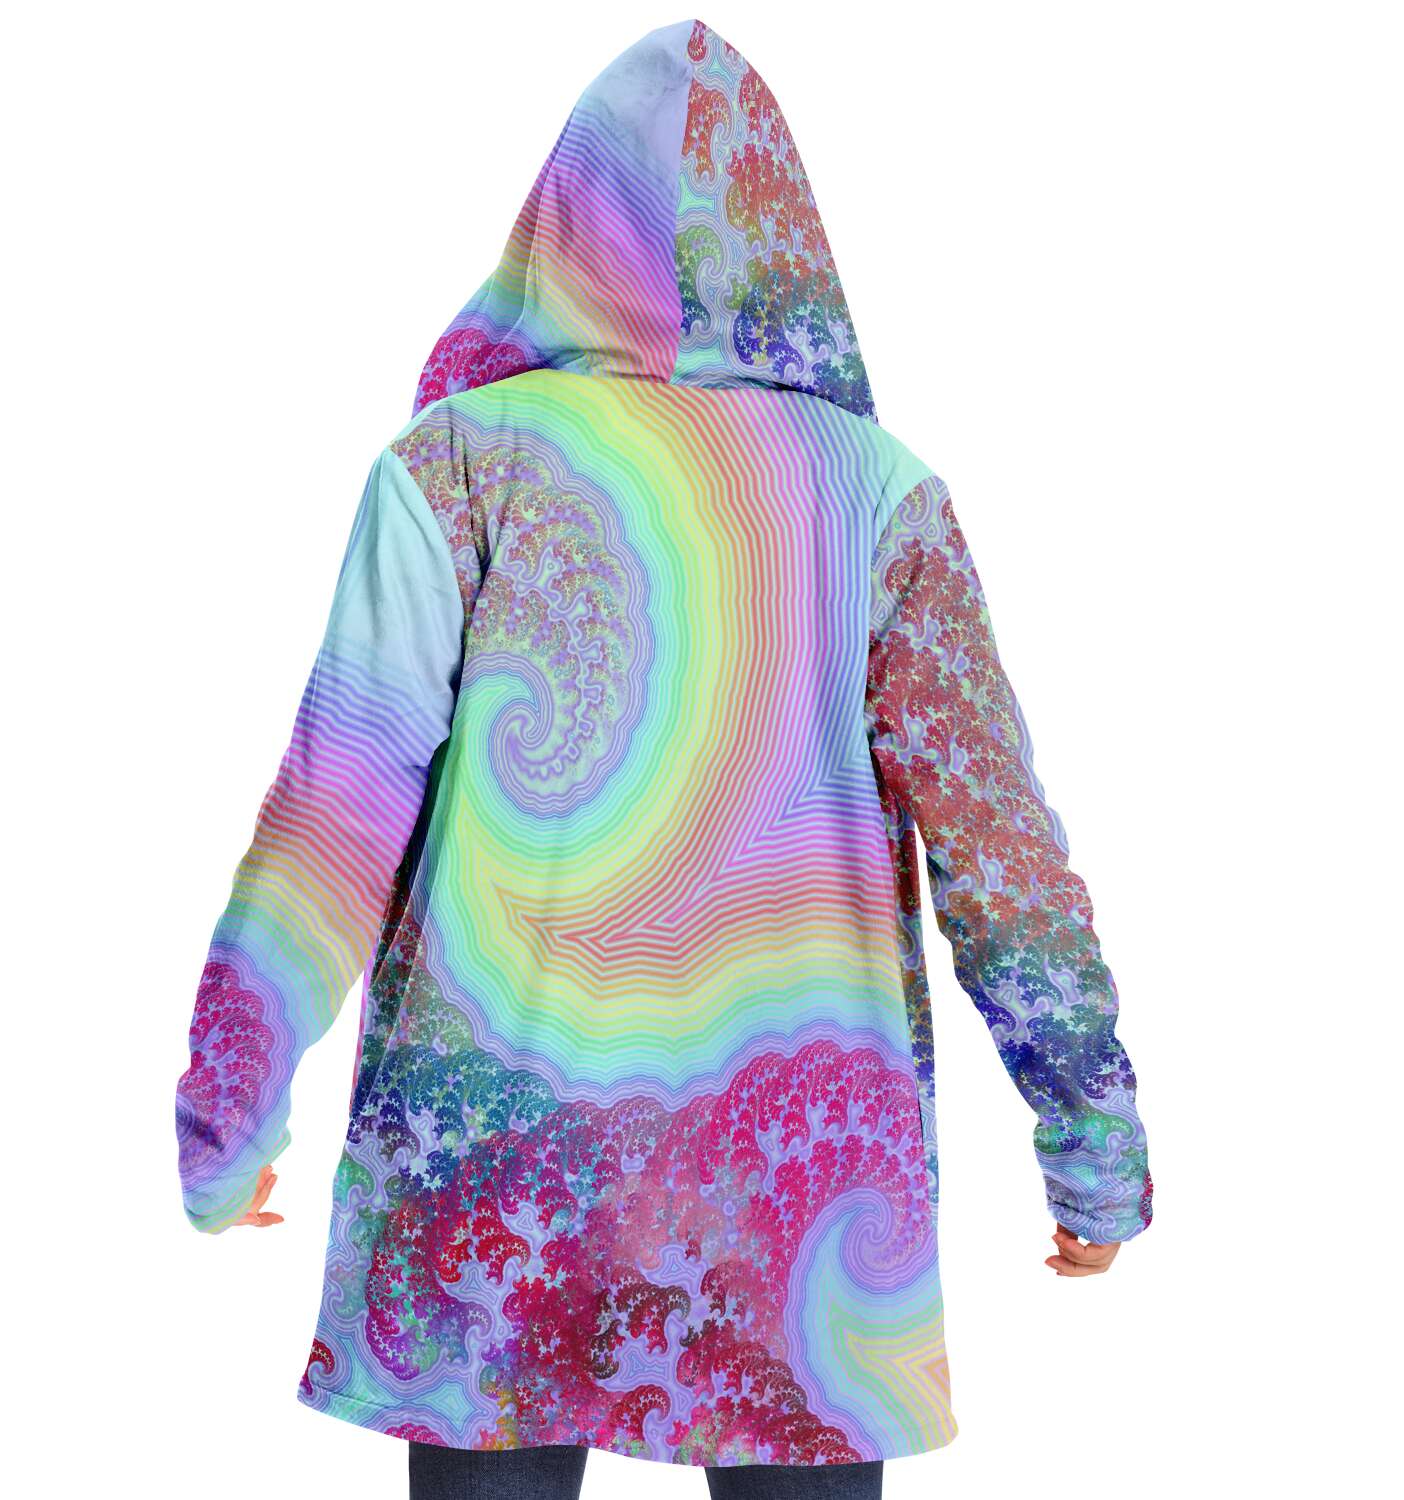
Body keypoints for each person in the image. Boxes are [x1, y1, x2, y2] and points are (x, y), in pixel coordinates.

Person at [173, 16, 1153, 1499]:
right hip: (800, 1213)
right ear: (788, 231)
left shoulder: (456, 462)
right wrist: (1091, 1135)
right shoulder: (879, 499)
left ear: (564, 223)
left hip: (491, 1162)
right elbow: (1000, 851)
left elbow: (333, 811)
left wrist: (227, 1114)